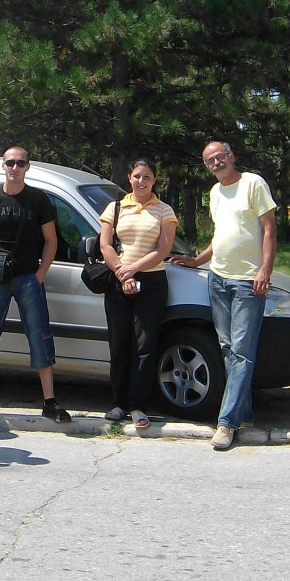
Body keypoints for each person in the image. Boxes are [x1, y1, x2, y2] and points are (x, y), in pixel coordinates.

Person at [0, 145, 72, 423]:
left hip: (28, 276)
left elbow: (51, 241)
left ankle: (50, 402)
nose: (14, 168)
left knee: (39, 334)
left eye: (20, 163)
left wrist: (39, 275)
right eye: (10, 163)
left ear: (28, 166)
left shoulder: (38, 199)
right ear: (2, 165)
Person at [170, 141, 277, 450]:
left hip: (247, 282)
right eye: (210, 160)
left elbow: (269, 229)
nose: (216, 162)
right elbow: (220, 236)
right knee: (228, 349)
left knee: (242, 352)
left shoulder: (253, 183)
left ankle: (226, 423)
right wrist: (197, 261)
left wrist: (264, 270)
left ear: (231, 156)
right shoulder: (215, 192)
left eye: (220, 156)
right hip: (217, 279)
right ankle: (244, 415)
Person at [99, 158, 178, 429]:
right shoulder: (115, 208)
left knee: (144, 346)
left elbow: (163, 249)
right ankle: (118, 403)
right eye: (137, 176)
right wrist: (123, 273)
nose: (141, 181)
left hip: (151, 282)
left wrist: (132, 269)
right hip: (118, 278)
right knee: (119, 343)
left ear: (154, 180)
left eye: (147, 177)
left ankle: (137, 405)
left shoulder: (164, 210)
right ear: (129, 178)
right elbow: (105, 245)